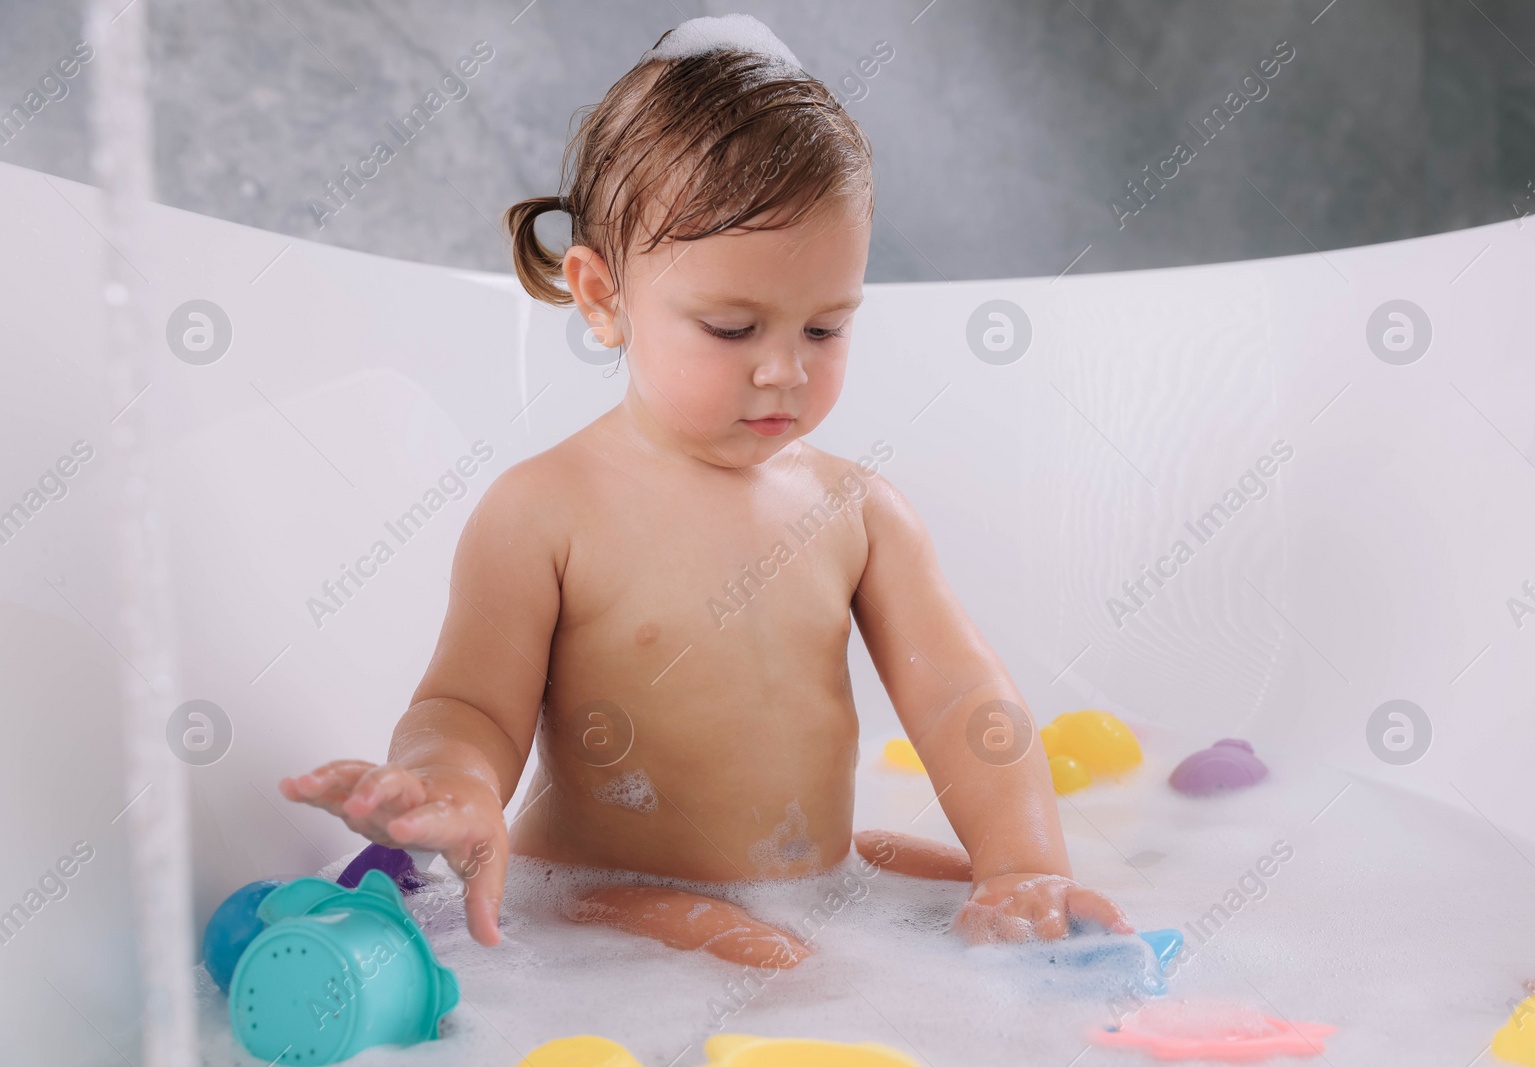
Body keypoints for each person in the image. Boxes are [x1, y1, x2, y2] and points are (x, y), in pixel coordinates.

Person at [281, 13, 1129, 969]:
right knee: (772, 964)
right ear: (602, 297)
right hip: (598, 898)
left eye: (824, 329)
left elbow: (963, 701)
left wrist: (1020, 863)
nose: (783, 371)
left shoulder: (858, 513)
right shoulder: (545, 512)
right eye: (732, 328)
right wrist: (453, 784)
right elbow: (468, 706)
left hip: (822, 878)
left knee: (1005, 907)